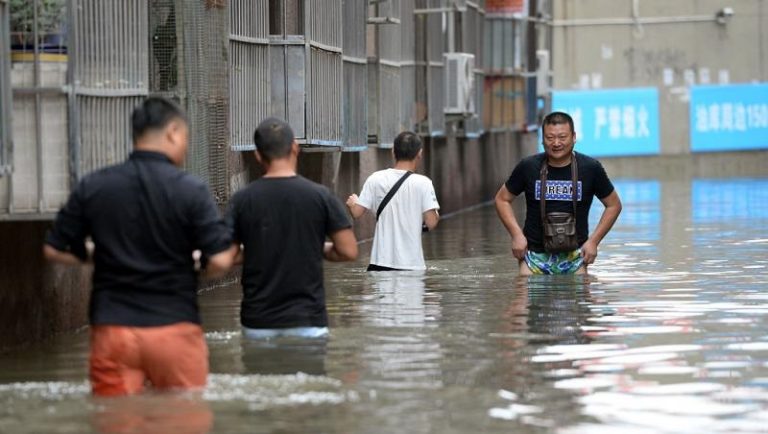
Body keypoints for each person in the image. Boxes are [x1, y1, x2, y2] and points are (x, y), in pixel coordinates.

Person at [43, 97, 238, 396]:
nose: (185, 147)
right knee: (180, 420)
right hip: (174, 327)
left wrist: (98, 254)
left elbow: (53, 249)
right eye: (186, 137)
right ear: (173, 132)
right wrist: (198, 265)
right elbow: (222, 260)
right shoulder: (191, 189)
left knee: (117, 421)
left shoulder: (95, 185)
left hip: (113, 329)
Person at [228, 117, 358, 340]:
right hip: (308, 321)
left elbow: (226, 256)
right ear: (295, 148)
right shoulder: (321, 196)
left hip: (258, 322)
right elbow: (348, 251)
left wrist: (262, 249)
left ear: (258, 155)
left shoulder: (242, 200)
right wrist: (311, 246)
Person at [494, 111, 622, 275]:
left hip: (576, 256)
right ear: (542, 139)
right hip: (533, 255)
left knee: (583, 299)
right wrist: (517, 235)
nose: (556, 143)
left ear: (573, 137)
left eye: (562, 137)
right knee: (522, 298)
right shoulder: (528, 167)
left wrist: (594, 242)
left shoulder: (591, 168)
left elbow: (614, 205)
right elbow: (502, 199)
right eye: (550, 138)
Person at [346, 131, 440, 271]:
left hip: (380, 263)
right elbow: (431, 221)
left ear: (393, 152)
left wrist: (353, 202)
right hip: (412, 265)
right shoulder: (423, 183)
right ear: (419, 154)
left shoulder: (375, 178)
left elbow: (356, 213)